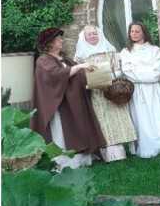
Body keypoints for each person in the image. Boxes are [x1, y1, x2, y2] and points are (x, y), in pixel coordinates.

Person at [30, 27, 105, 170]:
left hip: (74, 102)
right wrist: (81, 66)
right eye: (59, 39)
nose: (62, 41)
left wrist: (90, 75)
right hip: (59, 105)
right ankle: (63, 161)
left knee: (78, 129)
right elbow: (56, 75)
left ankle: (81, 157)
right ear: (50, 43)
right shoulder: (43, 60)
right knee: (64, 132)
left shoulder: (64, 58)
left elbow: (77, 73)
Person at [74, 25, 137, 162]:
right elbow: (79, 74)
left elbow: (118, 68)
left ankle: (120, 151)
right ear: (84, 37)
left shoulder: (110, 49)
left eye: (94, 34)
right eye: (89, 34)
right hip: (95, 92)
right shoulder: (80, 56)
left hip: (112, 90)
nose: (92, 36)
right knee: (101, 120)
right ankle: (105, 152)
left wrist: (111, 76)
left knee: (117, 118)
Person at [120, 22, 160, 158]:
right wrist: (145, 71)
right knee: (142, 119)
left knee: (158, 117)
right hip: (137, 91)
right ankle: (146, 147)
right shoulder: (126, 52)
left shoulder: (155, 50)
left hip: (153, 90)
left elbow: (156, 73)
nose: (134, 34)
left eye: (137, 31)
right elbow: (127, 71)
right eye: (132, 31)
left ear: (144, 32)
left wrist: (138, 71)